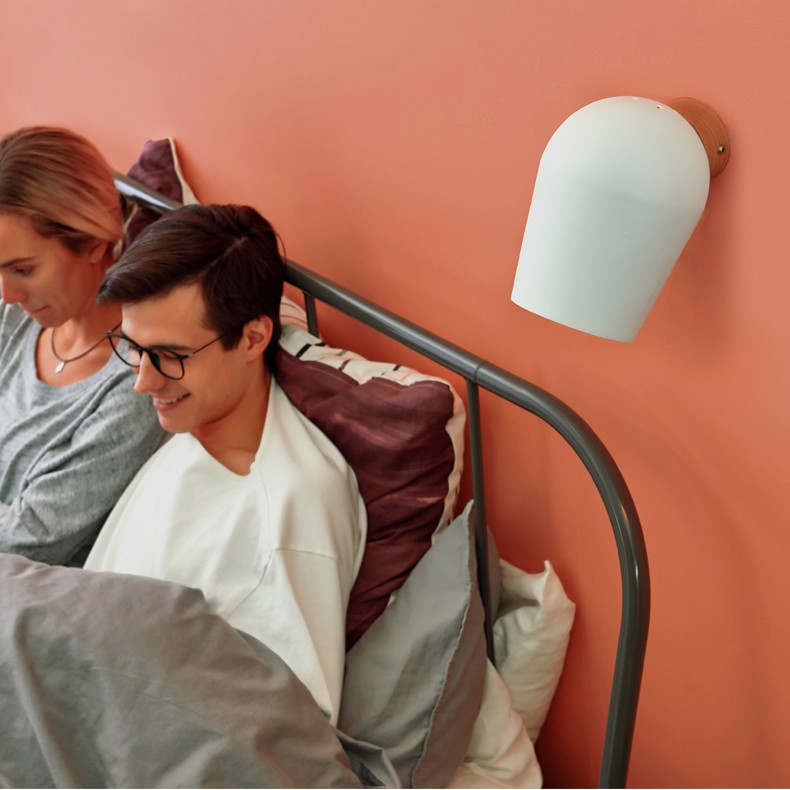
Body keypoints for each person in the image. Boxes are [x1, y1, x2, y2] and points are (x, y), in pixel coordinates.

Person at [84, 203, 367, 725]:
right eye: (134, 348)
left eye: (170, 356)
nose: (142, 382)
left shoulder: (293, 506)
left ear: (254, 338)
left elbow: (292, 731)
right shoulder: (196, 423)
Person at [0, 126, 165, 565]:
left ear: (93, 241)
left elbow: (31, 538)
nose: (7, 294)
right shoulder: (14, 319)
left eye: (23, 269)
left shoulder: (134, 384)